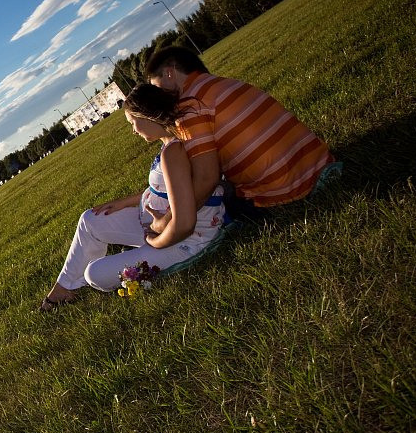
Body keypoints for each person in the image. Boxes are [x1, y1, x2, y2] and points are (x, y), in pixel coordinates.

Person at [38, 83, 226, 311]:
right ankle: (64, 288)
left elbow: (184, 224)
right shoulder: (171, 144)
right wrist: (125, 203)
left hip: (185, 239)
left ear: (147, 116)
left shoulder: (173, 153)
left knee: (94, 274)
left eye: (133, 123)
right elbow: (168, 190)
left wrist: (154, 242)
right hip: (157, 226)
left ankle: (141, 258)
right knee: (90, 219)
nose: (133, 131)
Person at [144, 46, 337, 222]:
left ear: (169, 73)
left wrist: (167, 221)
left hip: (282, 191)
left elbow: (206, 179)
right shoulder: (222, 83)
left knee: (215, 200)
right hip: (319, 163)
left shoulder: (189, 106)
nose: (158, 97)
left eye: (156, 88)